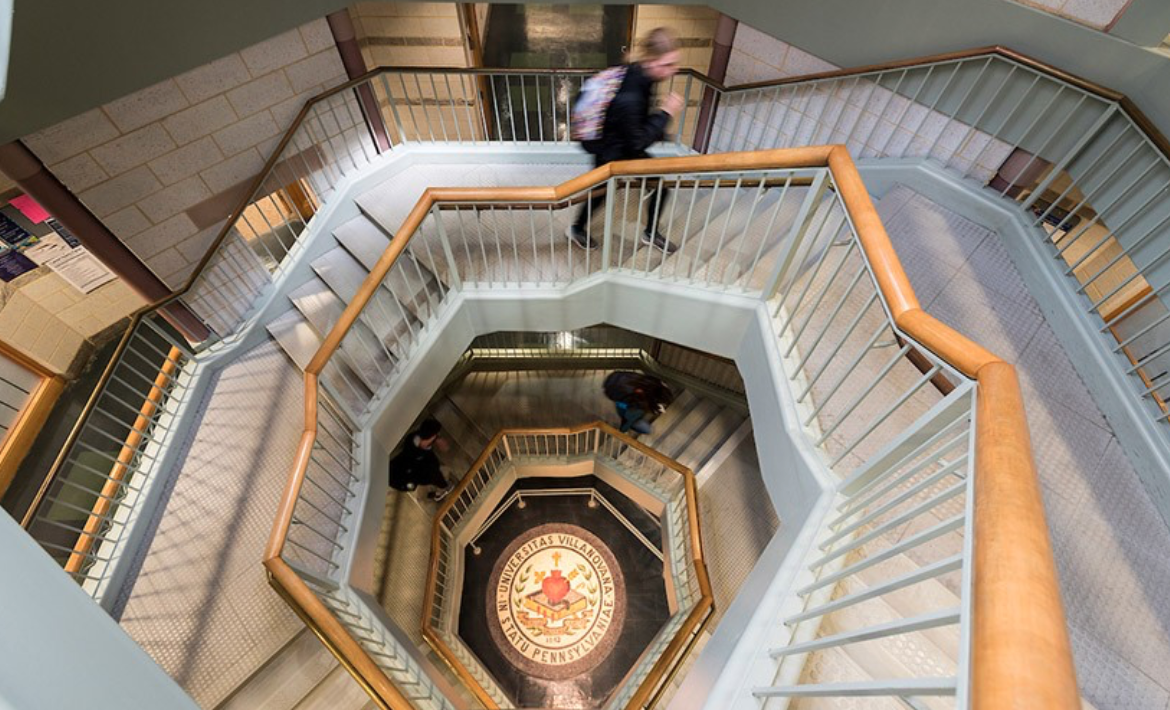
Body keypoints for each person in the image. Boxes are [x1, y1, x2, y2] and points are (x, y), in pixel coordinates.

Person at [568, 27, 684, 254]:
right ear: (651, 61)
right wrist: (665, 113)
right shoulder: (631, 95)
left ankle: (650, 232)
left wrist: (655, 122)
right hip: (612, 151)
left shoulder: (639, 73)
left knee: (659, 187)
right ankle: (576, 228)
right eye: (668, 64)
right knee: (601, 193)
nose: (674, 70)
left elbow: (635, 126)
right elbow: (637, 143)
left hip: (617, 141)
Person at [388, 418, 451, 501]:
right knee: (424, 491)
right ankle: (433, 493)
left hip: (404, 473)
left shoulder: (413, 438)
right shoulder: (415, 455)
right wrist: (444, 486)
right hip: (404, 478)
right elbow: (430, 472)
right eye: (436, 435)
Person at [604, 371, 673, 436]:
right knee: (648, 430)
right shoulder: (638, 406)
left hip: (616, 378)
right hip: (615, 393)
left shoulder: (652, 383)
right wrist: (623, 432)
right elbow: (628, 419)